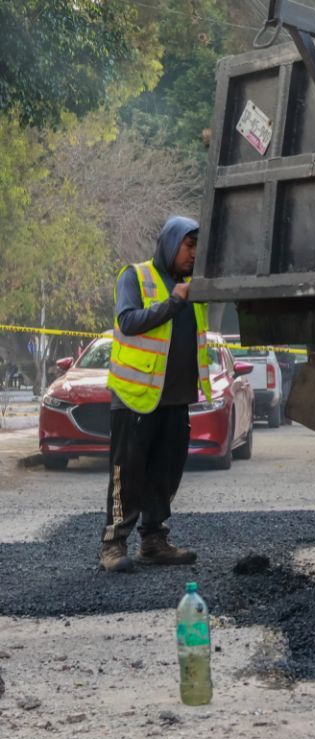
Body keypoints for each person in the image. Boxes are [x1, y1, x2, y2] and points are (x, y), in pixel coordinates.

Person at [100, 216, 212, 573]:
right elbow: (128, 322)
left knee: (166, 473)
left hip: (176, 399)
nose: (193, 253)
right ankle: (113, 545)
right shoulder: (136, 276)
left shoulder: (194, 286)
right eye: (188, 245)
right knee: (128, 473)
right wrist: (174, 302)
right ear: (170, 243)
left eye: (198, 246)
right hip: (136, 397)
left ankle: (153, 541)